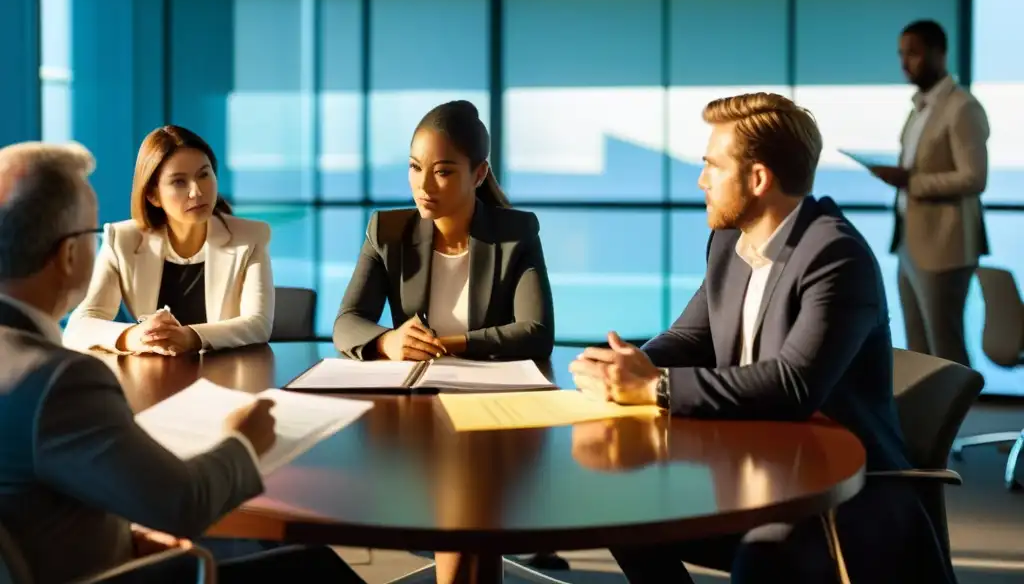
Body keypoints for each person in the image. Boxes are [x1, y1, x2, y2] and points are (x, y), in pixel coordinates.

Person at [569, 93, 953, 583]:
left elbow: (793, 385)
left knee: (764, 557)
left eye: (712, 166)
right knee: (618, 508)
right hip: (753, 468)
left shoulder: (836, 255)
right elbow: (690, 336)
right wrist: (624, 367)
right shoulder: (730, 240)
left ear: (757, 179)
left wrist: (655, 386)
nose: (700, 180)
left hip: (840, 489)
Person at [0, 142, 362, 584]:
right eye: (89, 235)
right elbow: (183, 504)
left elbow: (37, 504)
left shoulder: (34, 375)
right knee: (316, 566)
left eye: (205, 174)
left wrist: (126, 538)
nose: (196, 190)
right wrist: (244, 442)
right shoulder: (61, 382)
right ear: (70, 255)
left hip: (87, 556)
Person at [333, 100, 554, 362]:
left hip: (488, 390)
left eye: (442, 172)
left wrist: (443, 344)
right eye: (415, 167)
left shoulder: (516, 233)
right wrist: (387, 341)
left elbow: (536, 332)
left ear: (479, 174)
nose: (423, 186)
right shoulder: (386, 231)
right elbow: (347, 322)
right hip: (414, 390)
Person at [64, 125, 274, 355]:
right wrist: (138, 336)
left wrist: (191, 337)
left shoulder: (251, 236)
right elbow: (79, 327)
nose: (197, 191)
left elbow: (258, 324)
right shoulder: (122, 239)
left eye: (204, 175)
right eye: (179, 182)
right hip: (154, 378)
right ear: (153, 195)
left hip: (228, 374)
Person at [870, 19, 989, 367]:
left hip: (945, 244)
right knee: (918, 350)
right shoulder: (918, 109)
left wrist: (912, 182)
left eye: (914, 53)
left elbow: (974, 178)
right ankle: (926, 423)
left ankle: (960, 422)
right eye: (901, 54)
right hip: (911, 240)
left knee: (946, 351)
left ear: (940, 53)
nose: (905, 63)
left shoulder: (962, 107)